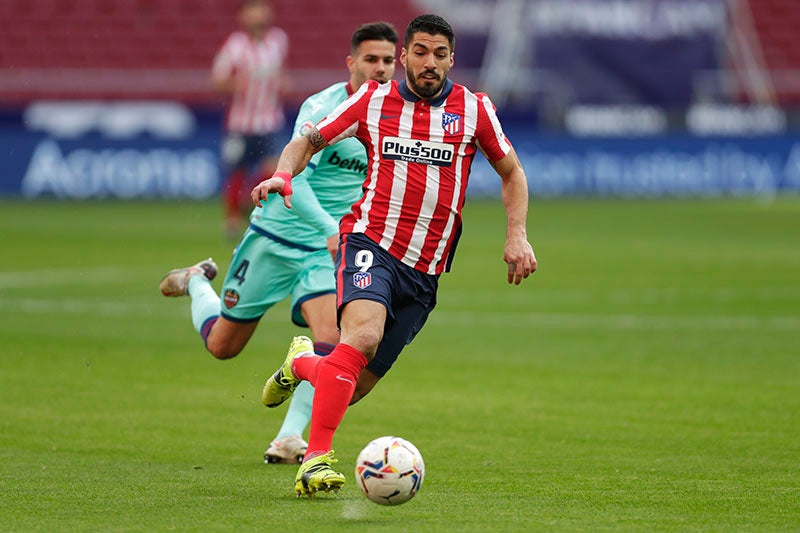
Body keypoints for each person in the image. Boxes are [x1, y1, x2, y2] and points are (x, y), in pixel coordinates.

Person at [254, 14, 538, 497]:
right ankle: (315, 458)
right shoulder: (372, 99)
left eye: (440, 54)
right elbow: (308, 140)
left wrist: (518, 235)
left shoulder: (474, 109)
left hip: (425, 271)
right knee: (361, 336)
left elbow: (512, 172)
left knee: (353, 385)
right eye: (421, 52)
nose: (430, 63)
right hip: (370, 243)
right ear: (403, 56)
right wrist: (284, 174)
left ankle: (302, 362)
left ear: (452, 59)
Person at [160, 22, 400, 464]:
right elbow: (296, 177)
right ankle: (196, 282)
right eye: (371, 60)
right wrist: (330, 225)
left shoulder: (397, 114)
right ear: (352, 63)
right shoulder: (325, 106)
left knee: (333, 340)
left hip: (328, 248)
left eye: (388, 60)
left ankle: (289, 438)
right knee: (223, 346)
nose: (380, 69)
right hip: (277, 234)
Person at [211, 0, 289, 238]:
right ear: (243, 16)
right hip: (240, 123)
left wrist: (283, 83)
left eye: (262, 9)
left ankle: (251, 203)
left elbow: (281, 73)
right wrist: (237, 84)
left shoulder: (278, 41)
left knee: (272, 168)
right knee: (237, 171)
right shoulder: (235, 45)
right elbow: (217, 81)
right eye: (253, 9)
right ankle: (232, 221)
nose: (259, 14)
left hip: (269, 121)